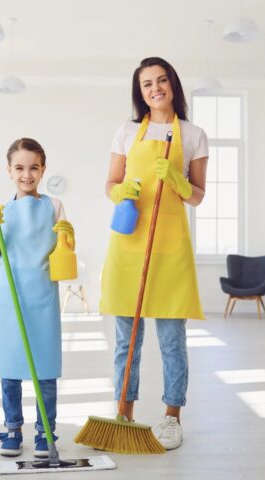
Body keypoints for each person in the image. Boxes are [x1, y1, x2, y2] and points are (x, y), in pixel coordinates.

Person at [100, 57, 208, 450]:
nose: (155, 88)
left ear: (173, 85)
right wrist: (120, 192)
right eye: (147, 84)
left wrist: (178, 180)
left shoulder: (194, 134)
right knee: (127, 342)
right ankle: (123, 416)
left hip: (170, 247)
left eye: (162, 80)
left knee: (172, 341)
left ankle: (171, 418)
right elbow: (111, 182)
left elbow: (197, 195)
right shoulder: (127, 131)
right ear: (140, 92)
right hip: (129, 244)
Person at [0, 138, 75, 457]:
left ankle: (45, 431)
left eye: (33, 167)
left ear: (43, 169)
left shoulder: (54, 206)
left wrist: (68, 241)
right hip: (11, 298)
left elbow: (63, 259)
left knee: (46, 369)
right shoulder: (1, 211)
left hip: (43, 298)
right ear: (9, 171)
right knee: (10, 369)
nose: (27, 174)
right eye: (19, 168)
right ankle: (12, 429)